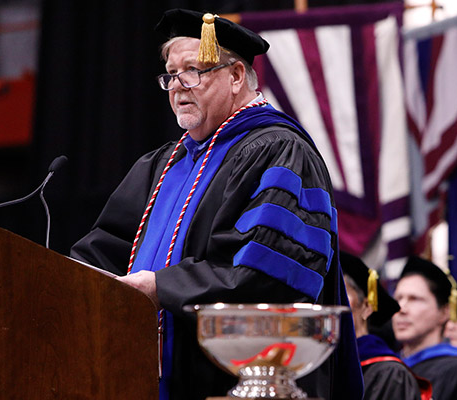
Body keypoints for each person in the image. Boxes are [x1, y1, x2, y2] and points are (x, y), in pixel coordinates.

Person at [69, 9, 362, 400]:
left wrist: (160, 287)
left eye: (192, 70)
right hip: (139, 378)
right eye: (170, 75)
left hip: (240, 383)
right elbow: (104, 251)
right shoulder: (162, 164)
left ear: (236, 76)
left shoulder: (279, 151)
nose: (177, 86)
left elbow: (271, 276)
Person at [393, 255, 457, 400]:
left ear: (444, 312)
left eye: (414, 299)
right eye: (398, 298)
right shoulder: (388, 367)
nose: (401, 308)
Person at [341, 251, 428, 400]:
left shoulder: (389, 373)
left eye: (340, 294)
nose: (328, 305)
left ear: (367, 307)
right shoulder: (316, 367)